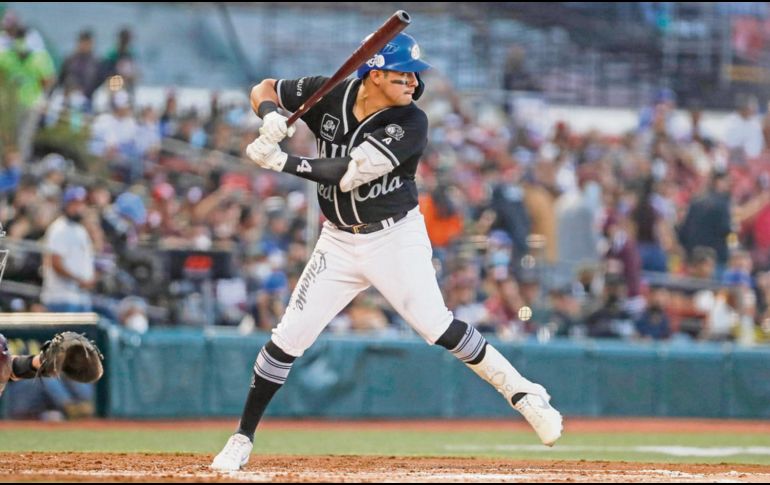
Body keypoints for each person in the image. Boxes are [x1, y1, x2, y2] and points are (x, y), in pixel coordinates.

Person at [211, 32, 562, 472]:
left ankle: (525, 394)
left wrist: (282, 161)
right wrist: (268, 118)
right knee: (287, 338)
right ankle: (242, 437)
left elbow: (348, 173)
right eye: (404, 74)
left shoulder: (411, 122)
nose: (414, 83)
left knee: (438, 326)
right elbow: (263, 88)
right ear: (374, 73)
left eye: (415, 75)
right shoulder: (328, 93)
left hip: (394, 237)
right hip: (338, 239)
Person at [40, 186, 96, 312]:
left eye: (81, 204)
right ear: (65, 205)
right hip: (61, 297)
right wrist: (79, 280)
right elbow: (55, 262)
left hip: (81, 297)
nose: (78, 208)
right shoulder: (59, 228)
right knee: (65, 332)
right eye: (74, 204)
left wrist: (89, 279)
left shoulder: (80, 230)